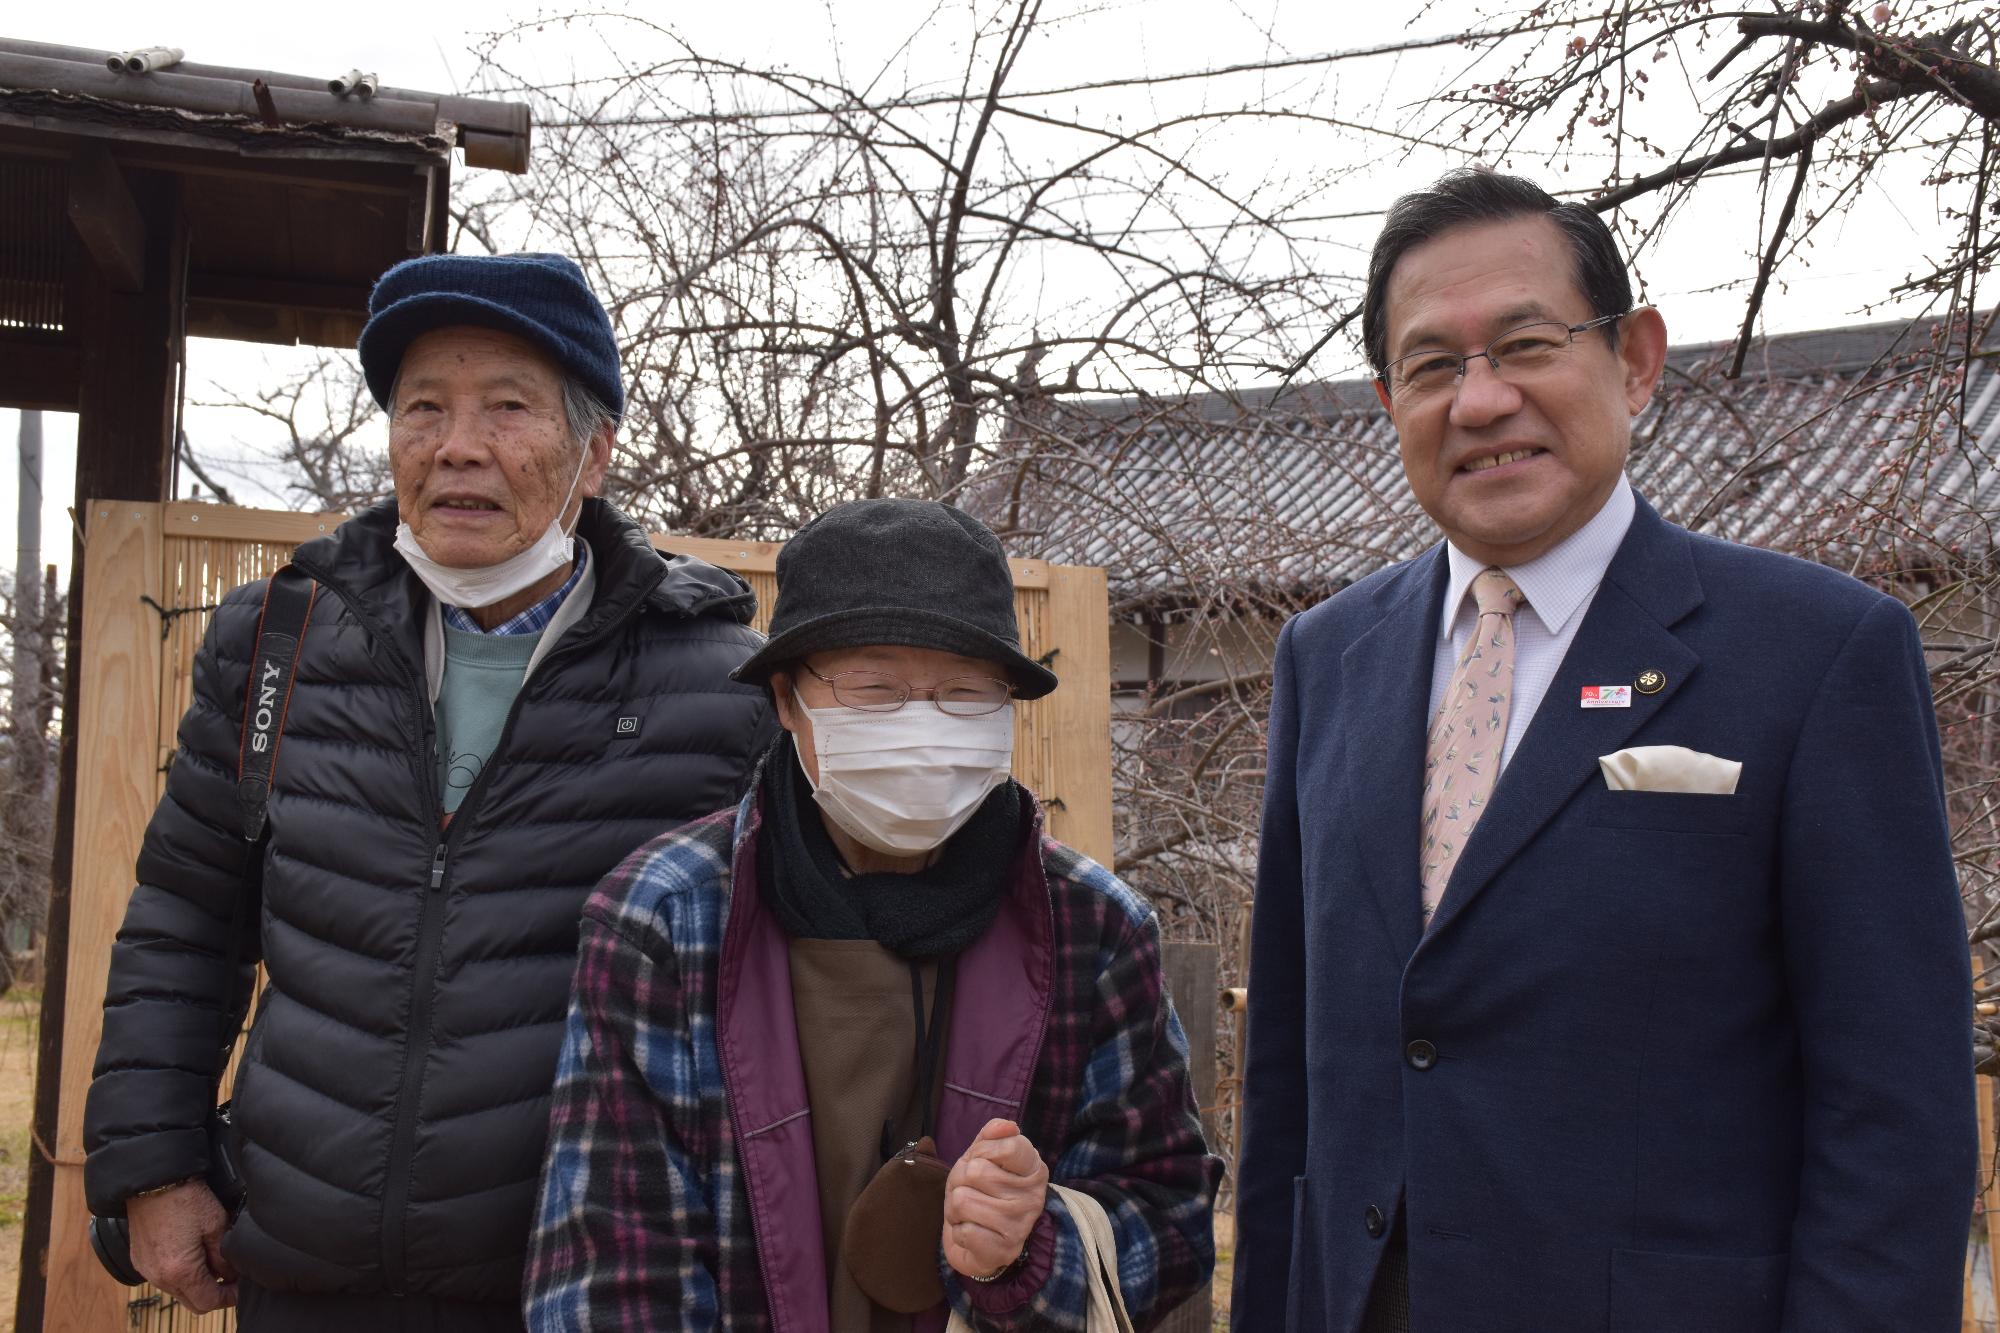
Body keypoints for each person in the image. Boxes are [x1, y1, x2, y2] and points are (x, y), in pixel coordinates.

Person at [1232, 168, 1976, 1332]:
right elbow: (1287, 1076)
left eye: (1524, 344)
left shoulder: (1816, 656)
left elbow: (1894, 1116)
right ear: (1387, 401)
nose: (1479, 402)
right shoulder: (1326, 657)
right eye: (1432, 366)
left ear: (1632, 361)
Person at [82, 252, 775, 1330]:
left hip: (577, 1279)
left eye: (508, 409)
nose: (458, 446)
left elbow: (772, 992)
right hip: (303, 1268)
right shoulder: (280, 638)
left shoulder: (720, 683)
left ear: (592, 453)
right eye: (424, 409)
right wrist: (153, 1166)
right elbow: (186, 917)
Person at [524, 498, 1220, 1331]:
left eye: (965, 692)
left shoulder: (1094, 929)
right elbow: (611, 1271)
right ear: (787, 700)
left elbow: (1171, 1218)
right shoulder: (662, 923)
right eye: (875, 688)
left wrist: (1036, 1250)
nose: (922, 726)